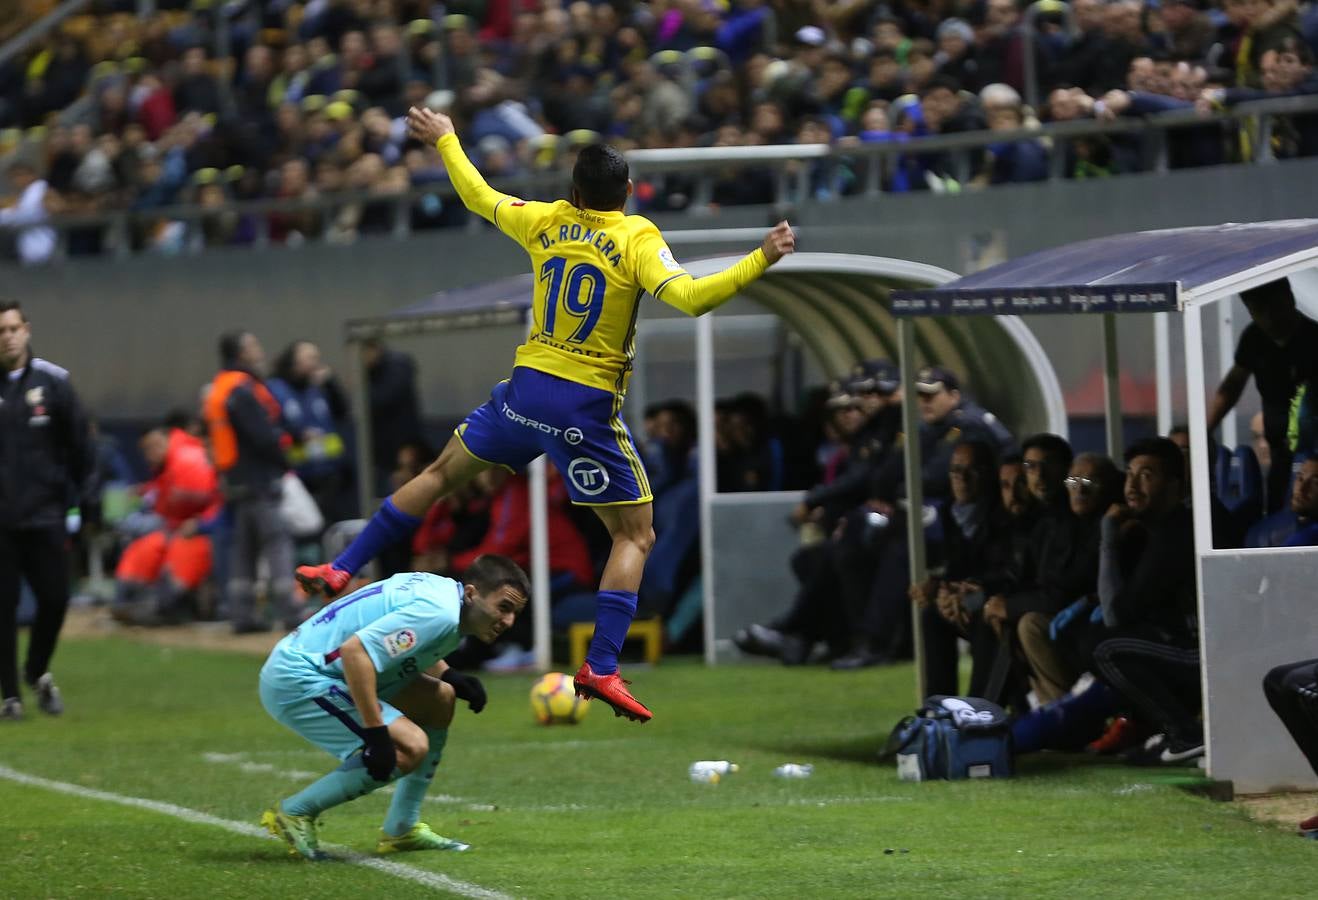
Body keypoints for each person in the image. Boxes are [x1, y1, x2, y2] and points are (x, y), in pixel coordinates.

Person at [296, 105, 796, 722]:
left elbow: (479, 196)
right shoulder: (637, 236)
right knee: (634, 534)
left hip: (525, 393)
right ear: (630, 193)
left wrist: (448, 138)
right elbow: (691, 298)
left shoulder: (547, 221)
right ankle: (603, 666)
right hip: (582, 407)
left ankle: (342, 566)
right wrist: (760, 257)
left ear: (573, 191)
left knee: (437, 476)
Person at [259, 556, 528, 859]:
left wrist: (449, 675)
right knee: (409, 747)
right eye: (504, 607)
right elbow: (355, 653)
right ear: (471, 593)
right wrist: (376, 733)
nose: (508, 621)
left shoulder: (442, 595)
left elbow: (397, 639)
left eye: (515, 613)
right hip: (300, 677)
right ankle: (295, 812)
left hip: (318, 664)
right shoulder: (439, 614)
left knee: (440, 698)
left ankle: (401, 829)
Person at [0, 299, 92, 720]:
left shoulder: (54, 382)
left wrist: (80, 500)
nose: (7, 336)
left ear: (27, 330)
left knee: (55, 599)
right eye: (1, 330)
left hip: (46, 514)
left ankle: (36, 669)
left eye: (13, 328)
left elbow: (81, 449)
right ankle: (9, 695)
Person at [1090, 438, 1202, 763]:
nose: (1132, 486)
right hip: (1184, 642)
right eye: (1130, 475)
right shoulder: (1152, 529)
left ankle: (1185, 733)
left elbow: (1116, 614)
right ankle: (1157, 729)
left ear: (1174, 485)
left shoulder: (1175, 535)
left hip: (1206, 651)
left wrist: (1108, 536)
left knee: (1106, 647)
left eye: (1146, 475)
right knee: (1096, 635)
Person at [204, 331, 303, 634]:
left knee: (243, 547)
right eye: (253, 345)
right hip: (258, 478)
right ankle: (290, 610)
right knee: (277, 540)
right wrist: (285, 458)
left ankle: (241, 612)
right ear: (241, 353)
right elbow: (262, 435)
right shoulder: (242, 389)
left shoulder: (220, 386)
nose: (259, 350)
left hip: (234, 478)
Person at [1208, 279, 1318, 512]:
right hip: (1279, 450)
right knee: (1277, 504)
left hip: (1314, 454)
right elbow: (1232, 386)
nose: (1269, 319)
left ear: (1289, 298)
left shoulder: (1314, 339)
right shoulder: (1254, 339)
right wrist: (1204, 430)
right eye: (1259, 311)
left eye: (1274, 308)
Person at [112, 424, 220, 625]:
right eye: (146, 449)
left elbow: (214, 507)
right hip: (185, 530)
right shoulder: (170, 466)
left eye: (154, 446)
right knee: (148, 546)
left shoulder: (186, 459)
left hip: (206, 533)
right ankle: (129, 602)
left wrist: (200, 525)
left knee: (183, 549)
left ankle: (163, 607)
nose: (150, 454)